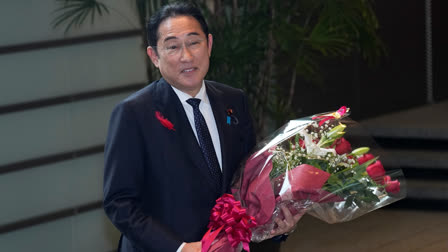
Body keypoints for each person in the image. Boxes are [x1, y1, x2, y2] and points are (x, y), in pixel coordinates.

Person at [103, 2, 302, 252]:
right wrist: (180, 248)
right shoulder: (133, 114)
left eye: (193, 42)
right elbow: (119, 203)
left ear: (208, 45)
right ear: (154, 56)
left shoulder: (234, 100)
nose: (186, 56)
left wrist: (275, 223)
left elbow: (249, 184)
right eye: (173, 46)